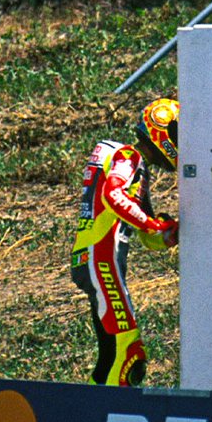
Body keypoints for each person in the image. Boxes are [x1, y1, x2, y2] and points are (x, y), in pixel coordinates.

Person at [71, 96, 180, 387]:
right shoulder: (128, 157)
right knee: (129, 358)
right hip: (101, 259)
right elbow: (113, 195)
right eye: (177, 133)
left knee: (111, 355)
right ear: (160, 129)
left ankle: (89, 418)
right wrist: (151, 223)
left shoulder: (137, 170)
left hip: (96, 259)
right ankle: (100, 420)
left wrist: (171, 232)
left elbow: (148, 237)